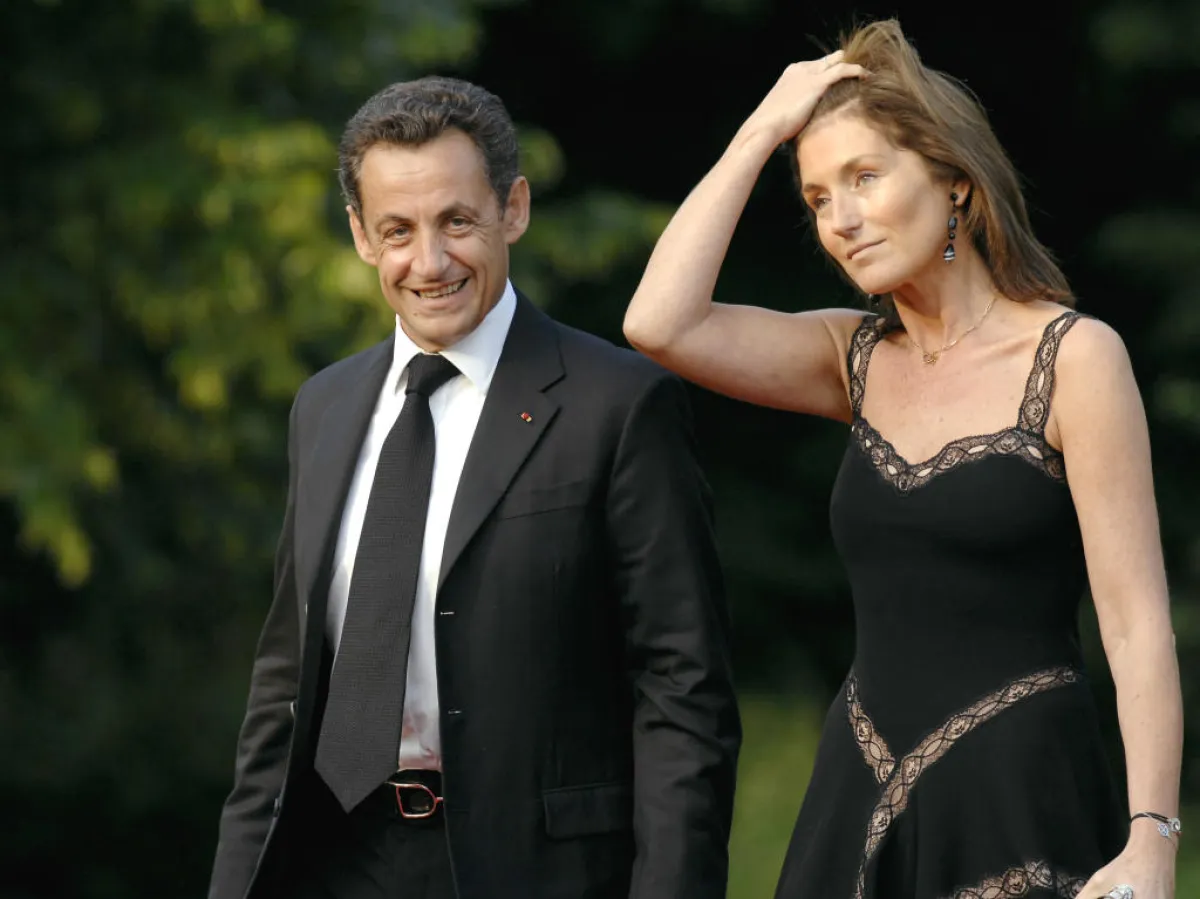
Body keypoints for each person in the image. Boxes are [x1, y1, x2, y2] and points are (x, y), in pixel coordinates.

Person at [623, 19, 1182, 899]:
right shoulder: (849, 356)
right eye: (817, 199)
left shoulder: (1075, 357)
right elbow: (659, 323)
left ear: (955, 180)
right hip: (858, 779)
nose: (840, 220)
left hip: (1019, 790)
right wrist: (762, 129)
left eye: (864, 178)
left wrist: (1153, 837)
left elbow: (1136, 622)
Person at [207, 75, 741, 899]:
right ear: (360, 235)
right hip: (333, 863)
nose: (430, 262)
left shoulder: (619, 405)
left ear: (513, 209)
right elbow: (282, 683)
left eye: (457, 221)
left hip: (535, 871)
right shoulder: (323, 407)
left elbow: (684, 692)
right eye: (397, 229)